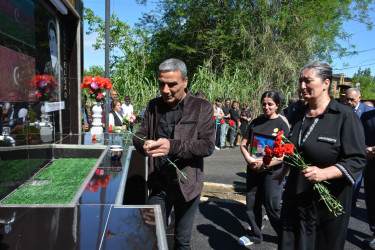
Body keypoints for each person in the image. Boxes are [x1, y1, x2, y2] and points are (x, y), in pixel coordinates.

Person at [277, 62, 366, 250]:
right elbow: (295, 150)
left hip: (327, 205)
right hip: (295, 197)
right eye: (300, 80)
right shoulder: (298, 113)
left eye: (307, 80)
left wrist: (325, 173)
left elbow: (357, 159)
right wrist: (281, 166)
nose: (302, 86)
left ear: (326, 83)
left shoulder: (344, 116)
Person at [132, 58, 215, 250]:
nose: (165, 90)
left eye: (172, 84)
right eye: (161, 84)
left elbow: (208, 145)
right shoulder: (153, 106)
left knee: (182, 241)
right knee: (151, 235)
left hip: (188, 186)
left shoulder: (202, 107)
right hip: (159, 183)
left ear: (185, 82)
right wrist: (143, 145)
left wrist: (172, 146)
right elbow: (139, 135)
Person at [238, 91, 289, 246]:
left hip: (272, 172)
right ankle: (255, 234)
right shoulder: (256, 121)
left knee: (272, 205)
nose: (266, 107)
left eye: (270, 104)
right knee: (252, 203)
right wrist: (249, 158)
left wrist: (265, 164)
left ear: (277, 105)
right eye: (264, 104)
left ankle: (286, 236)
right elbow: (243, 144)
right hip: (253, 168)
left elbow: (285, 154)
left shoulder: (282, 124)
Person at [345, 87, 374, 210]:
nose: (349, 102)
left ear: (359, 98)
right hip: (352, 152)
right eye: (347, 99)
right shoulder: (344, 111)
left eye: (352, 99)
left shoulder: (368, 111)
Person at [361, 109, 375, 248]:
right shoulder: (367, 116)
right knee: (372, 203)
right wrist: (365, 149)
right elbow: (359, 138)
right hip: (372, 169)